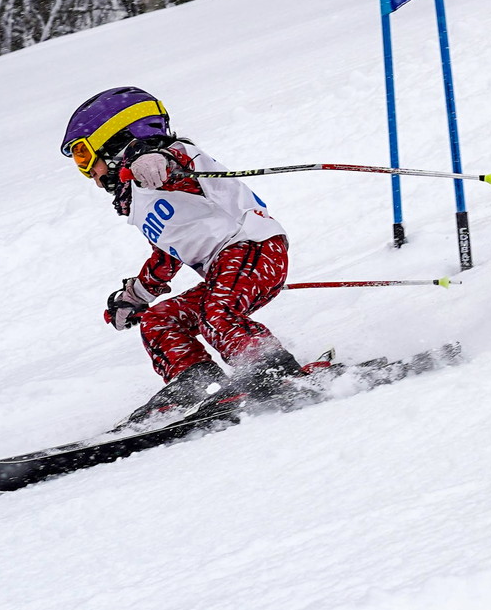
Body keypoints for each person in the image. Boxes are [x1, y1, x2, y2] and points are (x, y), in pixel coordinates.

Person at [60, 86, 307, 424]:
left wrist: (157, 159)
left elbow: (181, 163)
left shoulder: (170, 159)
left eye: (84, 157)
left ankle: (273, 372)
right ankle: (198, 383)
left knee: (216, 313)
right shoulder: (139, 197)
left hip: (253, 247)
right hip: (225, 270)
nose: (90, 173)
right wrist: (133, 297)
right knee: (159, 320)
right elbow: (166, 256)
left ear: (113, 140)